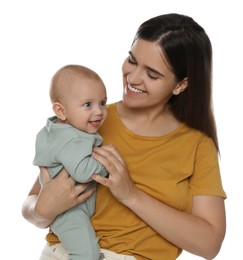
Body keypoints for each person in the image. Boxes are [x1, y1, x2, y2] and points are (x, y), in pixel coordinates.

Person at [22, 13, 226, 260]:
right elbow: (35, 200)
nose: (133, 78)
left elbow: (209, 244)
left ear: (181, 84)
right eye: (132, 60)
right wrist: (42, 210)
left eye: (152, 74)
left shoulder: (197, 145)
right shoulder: (89, 120)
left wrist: (131, 195)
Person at [32, 64, 108, 260]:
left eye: (103, 102)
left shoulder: (55, 130)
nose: (99, 111)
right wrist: (106, 164)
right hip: (69, 212)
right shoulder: (73, 139)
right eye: (88, 105)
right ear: (61, 111)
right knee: (86, 254)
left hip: (64, 207)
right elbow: (82, 172)